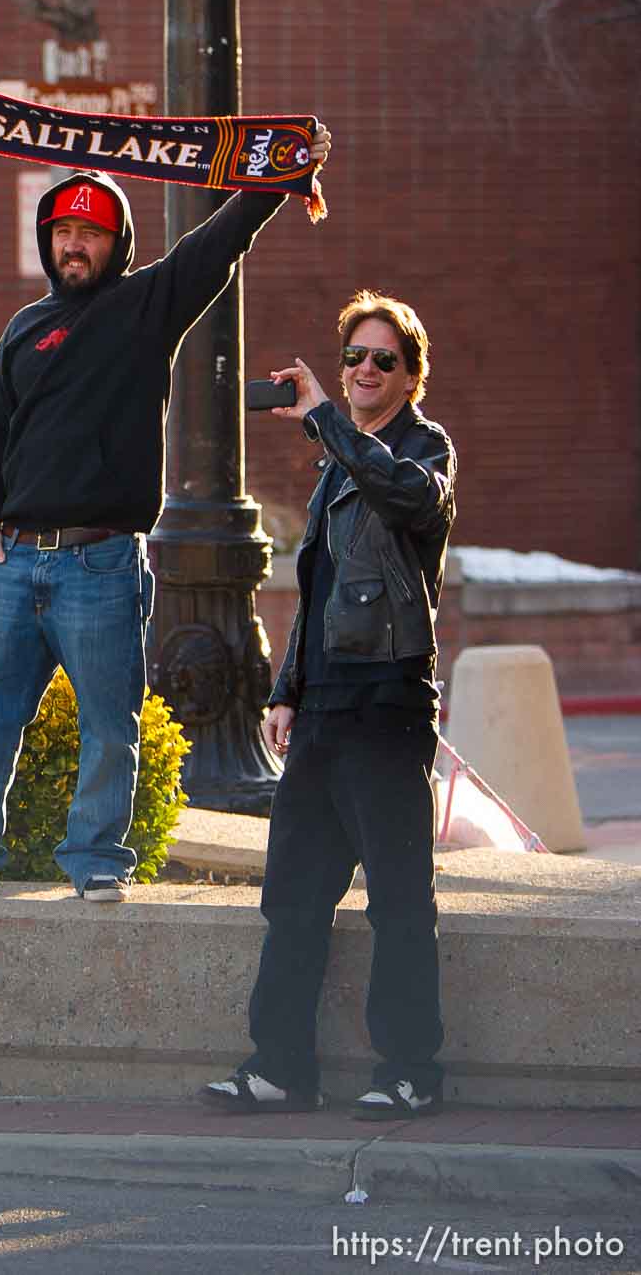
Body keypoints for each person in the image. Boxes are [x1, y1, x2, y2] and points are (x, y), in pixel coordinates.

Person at [0, 129, 330, 906]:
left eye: (90, 233)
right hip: (14, 564)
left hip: (100, 564)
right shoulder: (23, 328)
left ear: (116, 242)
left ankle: (97, 858)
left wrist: (280, 176)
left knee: (110, 726)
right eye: (63, 231)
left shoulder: (145, 308)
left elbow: (217, 243)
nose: (74, 245)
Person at [202, 292, 455, 1120]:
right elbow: (316, 593)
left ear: (411, 375)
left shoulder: (425, 453)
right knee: (294, 898)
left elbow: (404, 499)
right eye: (354, 357)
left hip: (388, 707)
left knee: (398, 901)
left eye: (384, 359)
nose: (365, 370)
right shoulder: (336, 467)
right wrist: (286, 692)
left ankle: (411, 1070)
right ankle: (281, 1068)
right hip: (323, 714)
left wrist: (330, 428)